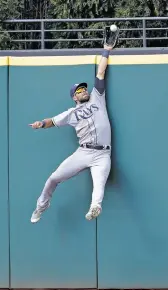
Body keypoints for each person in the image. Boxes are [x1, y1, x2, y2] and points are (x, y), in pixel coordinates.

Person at [29, 35, 118, 223]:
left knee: (99, 184)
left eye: (84, 89)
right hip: (83, 152)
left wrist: (107, 49)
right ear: (74, 97)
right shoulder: (70, 113)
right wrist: (40, 124)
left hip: (103, 154)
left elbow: (100, 73)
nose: (84, 91)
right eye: (79, 91)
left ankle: (95, 207)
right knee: (53, 178)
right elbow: (52, 121)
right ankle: (41, 206)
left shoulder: (97, 97)